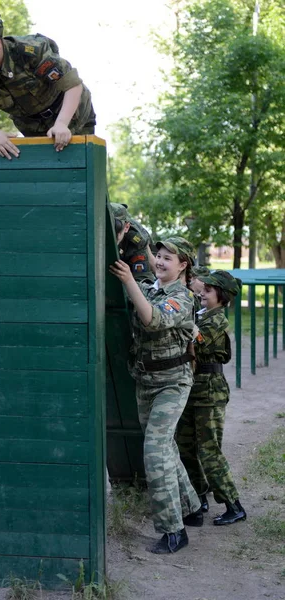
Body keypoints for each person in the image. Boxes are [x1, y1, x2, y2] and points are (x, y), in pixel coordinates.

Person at [110, 237, 201, 554]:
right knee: (166, 447)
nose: (160, 262)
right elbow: (144, 270)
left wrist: (127, 280)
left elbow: (152, 319)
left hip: (173, 382)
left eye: (167, 258)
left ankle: (174, 531)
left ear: (183, 265)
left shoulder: (183, 298)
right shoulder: (151, 288)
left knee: (154, 449)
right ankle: (192, 508)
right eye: (158, 256)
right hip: (146, 380)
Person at [0, 8, 96, 158]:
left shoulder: (29, 52)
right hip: (34, 128)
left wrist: (61, 124)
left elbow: (72, 84)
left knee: (80, 167)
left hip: (73, 114)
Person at [176, 270, 247, 526]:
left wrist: (182, 318)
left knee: (209, 451)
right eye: (203, 288)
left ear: (221, 296)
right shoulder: (201, 314)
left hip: (210, 391)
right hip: (192, 387)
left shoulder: (217, 320)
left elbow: (197, 340)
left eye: (209, 290)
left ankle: (233, 504)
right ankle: (199, 496)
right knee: (184, 445)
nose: (202, 292)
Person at [110, 203, 155, 283]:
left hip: (143, 254)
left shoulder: (136, 241)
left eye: (116, 228)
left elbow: (142, 280)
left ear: (126, 227)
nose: (112, 234)